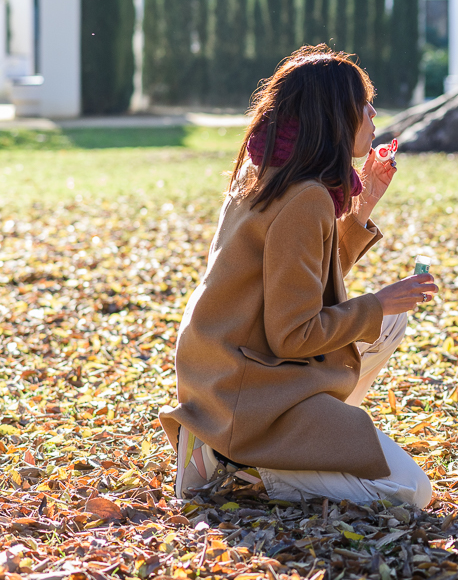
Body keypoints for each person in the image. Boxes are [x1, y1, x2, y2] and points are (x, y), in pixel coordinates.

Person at [161, 45, 439, 508]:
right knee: (412, 491)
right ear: (332, 114)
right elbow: (294, 333)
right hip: (245, 392)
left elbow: (298, 283)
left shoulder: (270, 169)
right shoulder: (305, 198)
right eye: (362, 103)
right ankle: (238, 468)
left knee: (390, 323)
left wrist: (363, 203)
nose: (373, 114)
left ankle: (300, 441)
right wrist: (377, 301)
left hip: (218, 369)